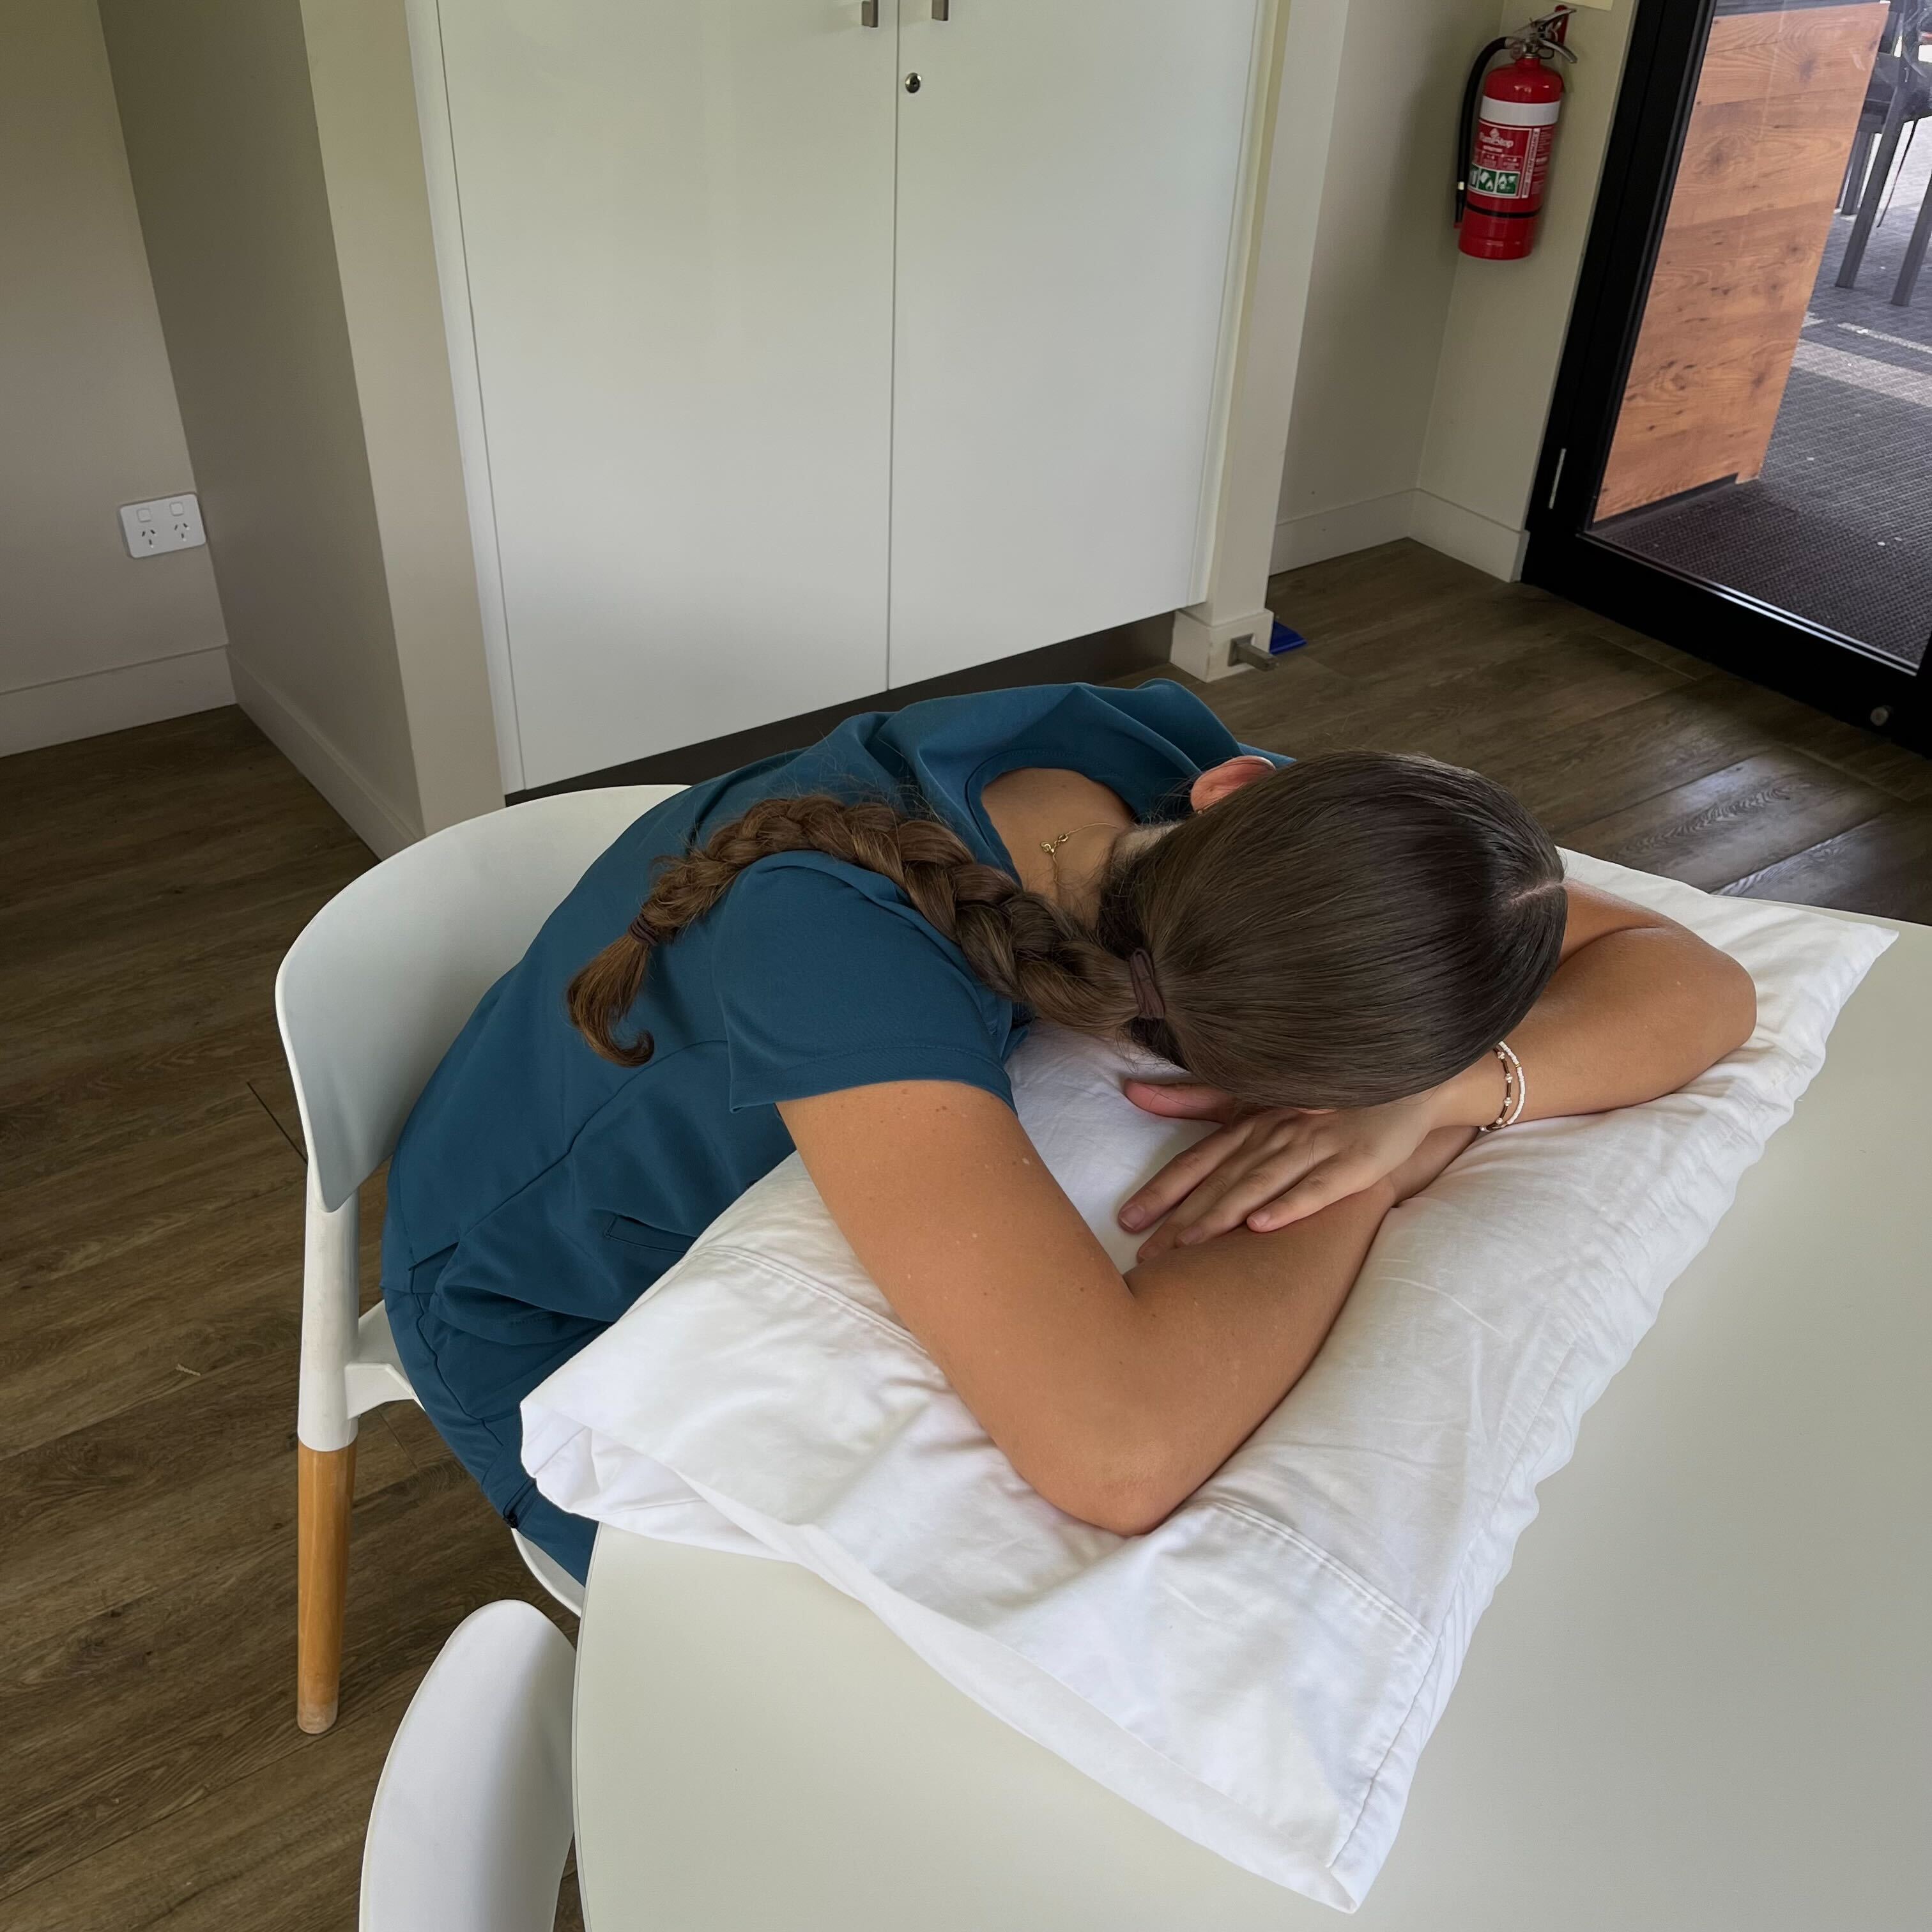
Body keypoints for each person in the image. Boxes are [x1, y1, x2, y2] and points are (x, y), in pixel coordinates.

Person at [382, 680, 1756, 1583]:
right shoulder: (841, 940)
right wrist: (1359, 1179)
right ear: (1234, 787)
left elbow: (1695, 982)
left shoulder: (1191, 810)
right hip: (543, 1317)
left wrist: (1430, 1103)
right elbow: (1116, 1449)